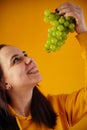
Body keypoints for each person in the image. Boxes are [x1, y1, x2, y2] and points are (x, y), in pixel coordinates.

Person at [0, 2, 87, 130]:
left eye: (25, 54)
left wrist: (83, 32)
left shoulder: (59, 107)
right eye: (16, 60)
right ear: (3, 83)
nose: (30, 59)